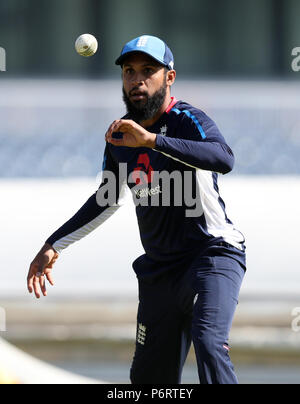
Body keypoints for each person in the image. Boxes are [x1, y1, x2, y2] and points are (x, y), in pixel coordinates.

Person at [27, 35, 246, 384]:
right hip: (159, 270)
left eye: (148, 70)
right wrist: (55, 243)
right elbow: (108, 197)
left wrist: (151, 140)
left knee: (209, 342)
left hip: (211, 255)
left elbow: (223, 158)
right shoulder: (120, 137)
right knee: (147, 379)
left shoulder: (186, 118)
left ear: (169, 78)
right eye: (129, 71)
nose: (137, 80)